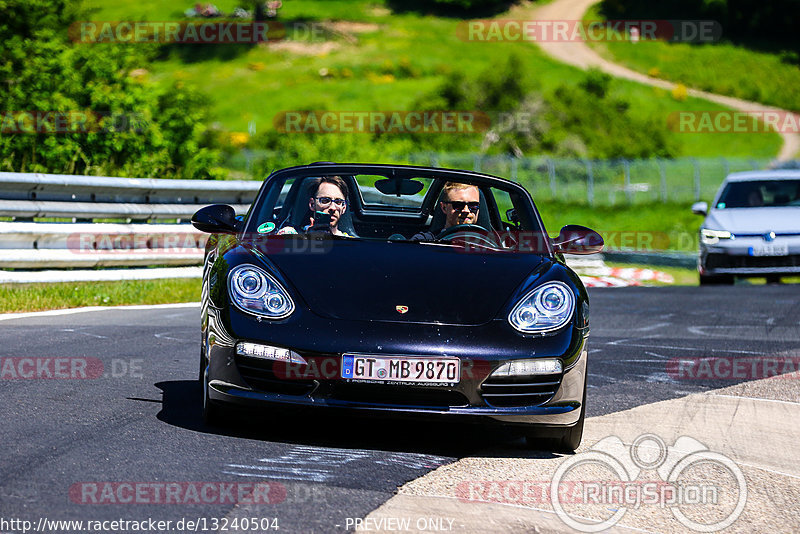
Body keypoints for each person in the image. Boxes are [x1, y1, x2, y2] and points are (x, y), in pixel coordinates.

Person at [277, 176, 353, 236]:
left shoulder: (351, 243)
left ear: (344, 208)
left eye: (338, 202)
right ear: (312, 204)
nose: (332, 207)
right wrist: (307, 240)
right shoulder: (289, 234)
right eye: (325, 201)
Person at [412, 182, 481, 240]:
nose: (466, 210)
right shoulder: (424, 242)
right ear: (444, 208)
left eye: (473, 205)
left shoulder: (489, 245)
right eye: (458, 205)